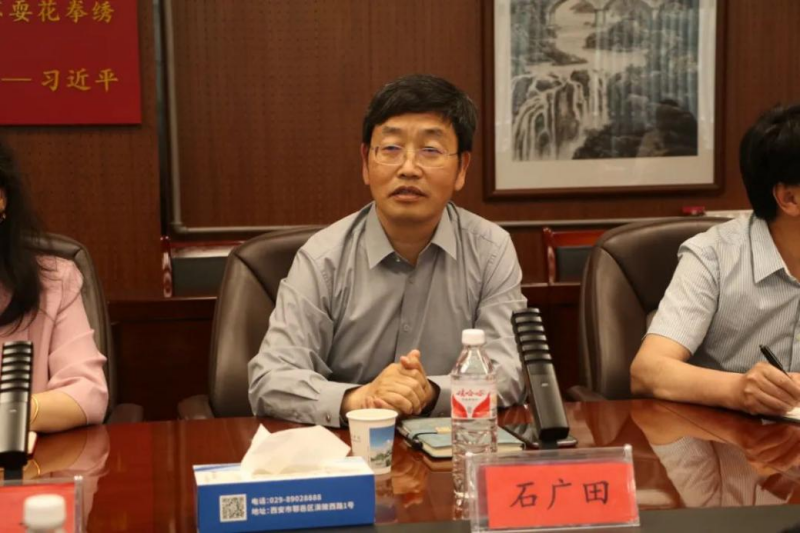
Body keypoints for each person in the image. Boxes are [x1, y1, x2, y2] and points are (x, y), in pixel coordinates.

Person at [248, 74, 526, 427]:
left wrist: (430, 392)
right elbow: (271, 378)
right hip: (348, 446)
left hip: (452, 446)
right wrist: (360, 398)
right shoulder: (323, 258)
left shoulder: (491, 251)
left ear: (462, 168)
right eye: (392, 149)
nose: (408, 169)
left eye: (431, 150)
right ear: (366, 162)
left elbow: (510, 370)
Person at [630, 104, 800, 416]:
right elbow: (647, 370)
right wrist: (738, 390)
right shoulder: (714, 256)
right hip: (718, 437)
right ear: (790, 198)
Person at [0, 141, 108, 432]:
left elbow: (88, 393)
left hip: (28, 456)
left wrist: (12, 415)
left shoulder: (53, 281)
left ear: (2, 199)